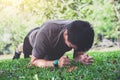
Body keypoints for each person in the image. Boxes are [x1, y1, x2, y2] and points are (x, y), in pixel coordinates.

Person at [13, 20, 94, 68]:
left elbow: (77, 54)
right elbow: (34, 62)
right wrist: (56, 63)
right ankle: (18, 50)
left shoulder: (79, 31)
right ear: (66, 34)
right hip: (32, 39)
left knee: (48, 57)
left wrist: (80, 57)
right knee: (24, 48)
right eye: (72, 46)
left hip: (51, 46)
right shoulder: (45, 35)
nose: (75, 50)